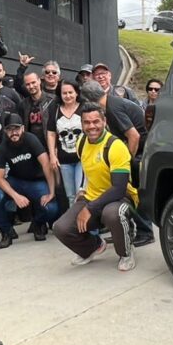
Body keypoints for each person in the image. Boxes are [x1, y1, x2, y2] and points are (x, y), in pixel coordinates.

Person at [53, 103, 138, 272]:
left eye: (96, 121)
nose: (91, 126)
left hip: (120, 198)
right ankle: (94, 247)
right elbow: (87, 169)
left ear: (104, 121)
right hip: (92, 196)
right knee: (61, 228)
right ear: (81, 124)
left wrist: (90, 208)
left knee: (112, 214)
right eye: (87, 122)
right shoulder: (81, 142)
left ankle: (126, 251)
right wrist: (82, 190)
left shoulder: (115, 146)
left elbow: (119, 189)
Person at [79, 79, 153, 246]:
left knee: (133, 192)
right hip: (136, 150)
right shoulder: (110, 104)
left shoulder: (113, 108)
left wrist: (126, 161)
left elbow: (134, 136)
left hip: (139, 153)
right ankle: (124, 230)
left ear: (89, 100)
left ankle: (145, 232)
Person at [0, 114, 56, 249]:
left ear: (22, 128)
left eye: (16, 129)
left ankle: (38, 224)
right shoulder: (3, 147)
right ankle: (6, 232)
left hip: (35, 181)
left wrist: (51, 192)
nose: (13, 133)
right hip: (15, 181)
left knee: (51, 208)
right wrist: (16, 196)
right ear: (5, 131)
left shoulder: (31, 139)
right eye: (10, 129)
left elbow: (46, 164)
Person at [47, 80, 84, 206]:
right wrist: (52, 155)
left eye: (70, 92)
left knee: (81, 193)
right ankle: (72, 218)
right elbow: (51, 133)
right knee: (70, 196)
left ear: (77, 93)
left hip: (82, 158)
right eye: (64, 93)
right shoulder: (55, 110)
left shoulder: (84, 108)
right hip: (64, 160)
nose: (68, 96)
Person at [19, 71, 55, 147]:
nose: (31, 86)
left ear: (39, 81)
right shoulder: (23, 104)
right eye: (28, 84)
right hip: (31, 146)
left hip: (50, 144)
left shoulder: (52, 100)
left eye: (33, 82)